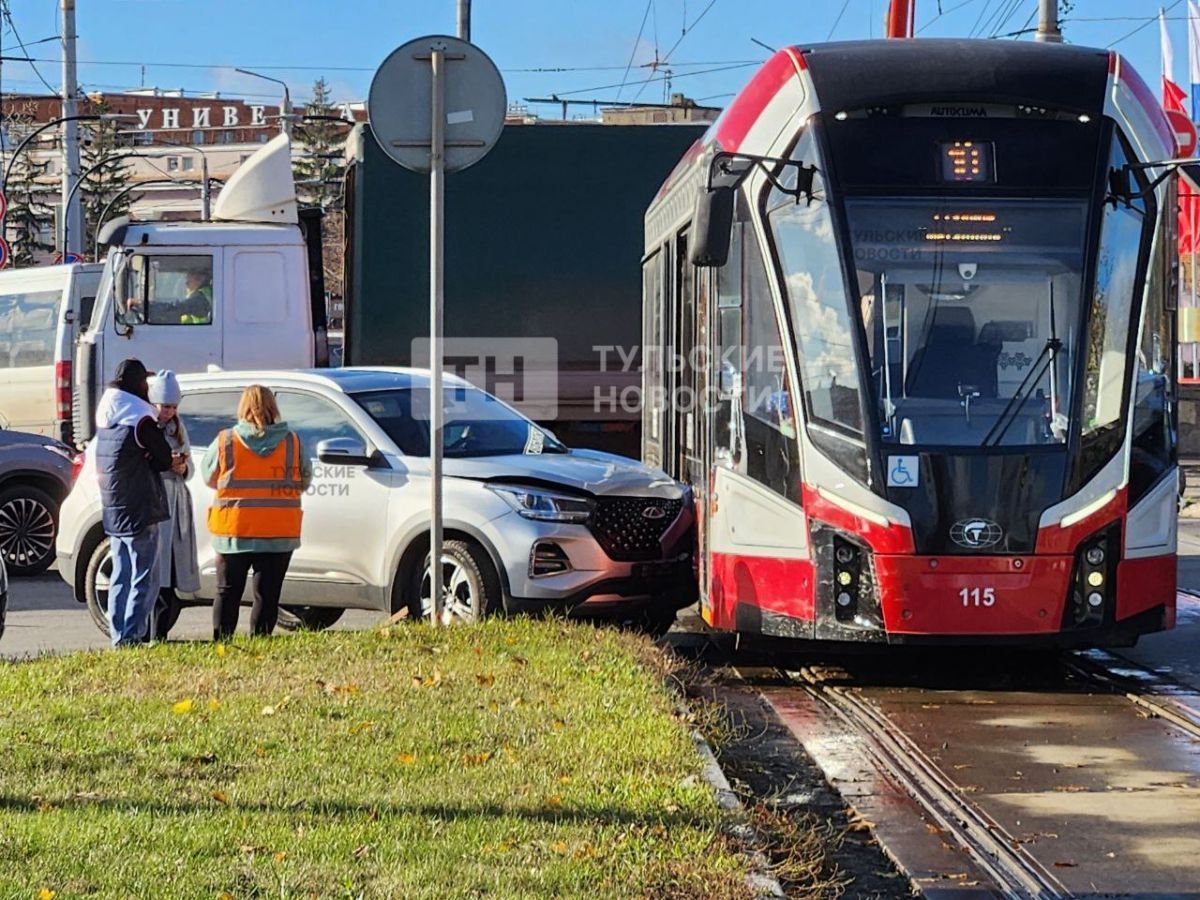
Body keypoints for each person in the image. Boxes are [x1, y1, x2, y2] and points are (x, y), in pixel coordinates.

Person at [201, 385, 311, 639]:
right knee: (267, 595)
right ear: (274, 407)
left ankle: (222, 647)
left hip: (234, 531)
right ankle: (260, 644)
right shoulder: (292, 442)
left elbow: (209, 476)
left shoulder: (226, 440)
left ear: (243, 407)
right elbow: (304, 480)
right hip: (279, 531)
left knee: (227, 593)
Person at [93, 358, 172, 646]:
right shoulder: (140, 419)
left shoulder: (106, 418)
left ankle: (118, 637)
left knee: (121, 576)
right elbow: (163, 458)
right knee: (144, 577)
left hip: (114, 510)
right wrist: (153, 455)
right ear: (138, 384)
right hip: (140, 508)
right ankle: (133, 637)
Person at [148, 370, 200, 638]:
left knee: (171, 572)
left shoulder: (178, 428)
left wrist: (182, 467)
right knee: (156, 571)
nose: (169, 412)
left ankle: (161, 632)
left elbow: (189, 464)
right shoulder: (146, 425)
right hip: (156, 501)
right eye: (165, 406)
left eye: (173, 407)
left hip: (175, 499)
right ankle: (149, 632)